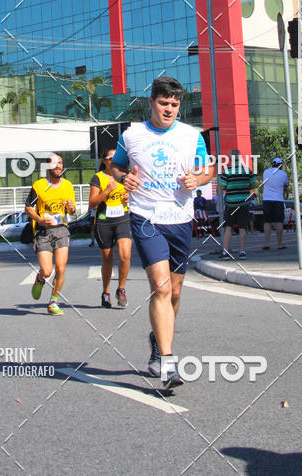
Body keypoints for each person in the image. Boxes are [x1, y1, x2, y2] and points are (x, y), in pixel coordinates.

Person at [110, 76, 214, 390]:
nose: (169, 109)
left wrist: (198, 180)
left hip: (180, 219)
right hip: (145, 217)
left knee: (176, 293)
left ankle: (157, 340)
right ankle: (169, 364)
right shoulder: (132, 135)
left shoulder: (191, 135)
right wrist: (123, 178)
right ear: (151, 102)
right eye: (163, 103)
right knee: (161, 286)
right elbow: (116, 167)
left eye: (174, 104)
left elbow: (207, 169)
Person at [25, 154, 76, 315]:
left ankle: (53, 302)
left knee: (61, 269)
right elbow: (28, 207)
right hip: (43, 231)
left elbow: (72, 211)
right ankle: (40, 279)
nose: (58, 166)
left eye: (60, 163)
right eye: (54, 163)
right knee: (47, 271)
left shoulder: (67, 185)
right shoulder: (39, 185)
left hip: (61, 229)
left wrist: (71, 207)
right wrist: (39, 219)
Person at [88, 149, 132, 308]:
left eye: (117, 158)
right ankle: (105, 292)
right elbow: (92, 203)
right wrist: (106, 191)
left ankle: (121, 289)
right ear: (105, 161)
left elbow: (137, 192)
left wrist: (130, 196)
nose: (114, 161)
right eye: (110, 158)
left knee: (125, 255)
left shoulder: (125, 175)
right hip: (104, 220)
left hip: (122, 218)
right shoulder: (98, 177)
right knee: (107, 260)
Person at [219, 150, 256, 259]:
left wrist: (231, 188)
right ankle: (242, 251)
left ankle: (225, 251)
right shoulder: (247, 170)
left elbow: (222, 187)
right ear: (240, 158)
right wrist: (244, 188)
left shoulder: (227, 171)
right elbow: (253, 185)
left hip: (231, 203)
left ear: (230, 159)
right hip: (244, 203)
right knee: (242, 226)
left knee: (228, 227)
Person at [262, 157, 288, 250]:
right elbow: (285, 186)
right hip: (278, 200)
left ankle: (267, 244)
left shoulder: (266, 172)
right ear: (280, 165)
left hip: (267, 200)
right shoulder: (283, 174)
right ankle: (280, 244)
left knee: (267, 222)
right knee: (279, 222)